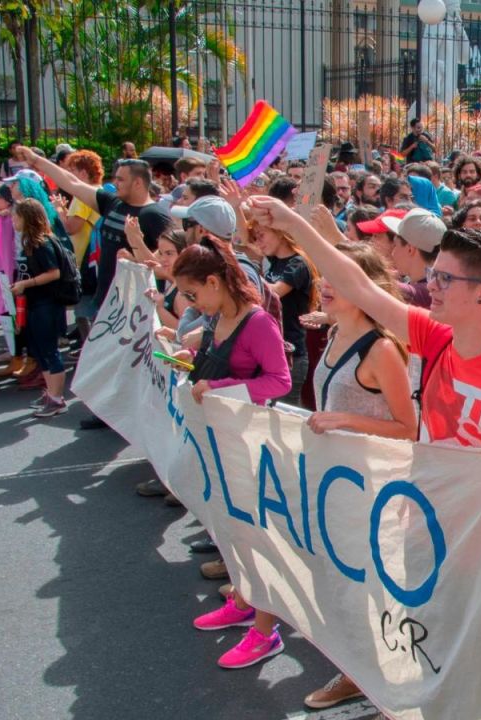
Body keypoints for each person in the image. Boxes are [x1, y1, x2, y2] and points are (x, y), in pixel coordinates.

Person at [251, 197, 481, 550]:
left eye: (446, 278)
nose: (431, 286)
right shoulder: (434, 336)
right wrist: (296, 226)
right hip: (421, 518)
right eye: (434, 274)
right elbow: (359, 286)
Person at [300, 241, 421, 710]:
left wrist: (345, 421)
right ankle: (364, 665)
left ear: (363, 288)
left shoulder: (381, 350)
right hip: (337, 479)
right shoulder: (336, 334)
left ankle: (364, 675)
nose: (325, 285)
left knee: (367, 582)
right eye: (324, 276)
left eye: (337, 278)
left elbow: (408, 427)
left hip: (372, 484)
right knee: (343, 578)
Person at [176, 236, 292, 670]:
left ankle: (266, 632)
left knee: (257, 535)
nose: (190, 303)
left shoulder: (257, 322)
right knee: (234, 530)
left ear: (213, 281)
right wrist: (189, 361)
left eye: (192, 294)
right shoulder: (217, 317)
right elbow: (218, 365)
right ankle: (245, 599)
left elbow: (278, 382)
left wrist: (219, 387)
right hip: (221, 441)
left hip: (250, 445)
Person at [18, 149, 171, 309]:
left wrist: (136, 251)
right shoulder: (112, 203)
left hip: (135, 308)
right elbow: (73, 183)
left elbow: (167, 266)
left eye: (120, 179)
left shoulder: (155, 215)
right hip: (105, 302)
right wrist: (36, 160)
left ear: (138, 183)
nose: (114, 183)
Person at [246, 223, 317, 406]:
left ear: (279, 232)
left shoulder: (299, 263)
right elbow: (245, 237)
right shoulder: (275, 260)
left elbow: (274, 292)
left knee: (285, 418)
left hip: (291, 356)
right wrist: (237, 208)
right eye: (256, 238)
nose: (258, 242)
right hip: (271, 352)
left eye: (261, 235)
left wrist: (248, 274)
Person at [10, 199, 69, 418]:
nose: (13, 221)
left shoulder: (42, 243)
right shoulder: (28, 242)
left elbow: (53, 273)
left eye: (16, 216)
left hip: (47, 303)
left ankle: (57, 398)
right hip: (34, 303)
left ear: (27, 217)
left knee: (50, 350)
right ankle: (50, 393)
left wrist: (26, 284)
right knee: (41, 351)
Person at [382, 207, 444, 309]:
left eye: (396, 245)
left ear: (410, 249)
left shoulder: (420, 293)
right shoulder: (442, 285)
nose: (393, 253)